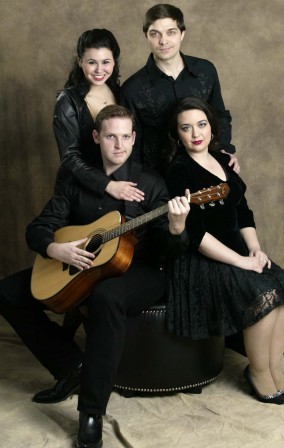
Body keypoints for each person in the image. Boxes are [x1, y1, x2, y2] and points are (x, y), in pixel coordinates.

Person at [0, 105, 190, 448]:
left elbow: (168, 251)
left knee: (107, 297)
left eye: (125, 136)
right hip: (83, 267)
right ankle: (70, 365)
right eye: (110, 136)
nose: (119, 144)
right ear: (96, 137)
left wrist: (176, 229)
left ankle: (90, 412)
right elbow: (39, 228)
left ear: (134, 138)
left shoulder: (150, 182)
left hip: (141, 271)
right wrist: (54, 249)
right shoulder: (77, 180)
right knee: (8, 291)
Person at [163, 96, 284, 405]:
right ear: (177, 134)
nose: (195, 133)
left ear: (212, 129)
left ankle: (272, 367)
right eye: (186, 128)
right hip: (203, 259)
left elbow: (243, 212)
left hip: (239, 249)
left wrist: (255, 251)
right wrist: (241, 262)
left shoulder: (223, 161)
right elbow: (196, 235)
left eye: (201, 125)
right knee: (263, 299)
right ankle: (257, 372)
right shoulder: (179, 171)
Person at [120, 3, 239, 174]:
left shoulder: (206, 71)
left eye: (171, 32)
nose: (163, 41)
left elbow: (219, 115)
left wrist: (225, 151)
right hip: (160, 179)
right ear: (146, 36)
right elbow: (132, 144)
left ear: (182, 33)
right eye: (155, 34)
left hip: (208, 169)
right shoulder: (131, 89)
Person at [54, 28, 144, 202]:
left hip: (120, 183)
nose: (99, 70)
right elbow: (69, 157)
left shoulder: (122, 93)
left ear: (114, 62)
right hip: (80, 187)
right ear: (79, 61)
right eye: (92, 62)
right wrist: (108, 185)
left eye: (105, 62)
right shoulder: (68, 100)